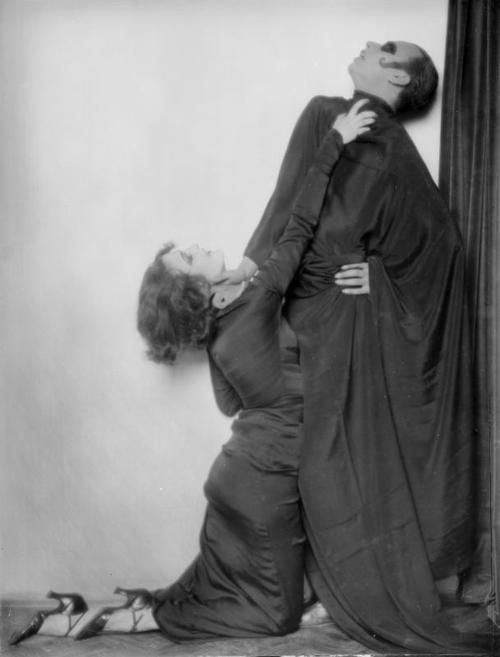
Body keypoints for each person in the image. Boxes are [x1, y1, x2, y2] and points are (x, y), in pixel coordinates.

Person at [8, 103, 375, 647]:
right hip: (260, 484)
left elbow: (233, 406)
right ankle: (121, 618)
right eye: (191, 257)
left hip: (240, 479)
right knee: (272, 617)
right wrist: (335, 141)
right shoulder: (255, 304)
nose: (200, 246)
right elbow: (297, 223)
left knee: (233, 592)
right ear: (197, 290)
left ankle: (91, 615)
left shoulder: (220, 333)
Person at [223, 41, 497, 653]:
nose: (368, 46)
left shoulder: (397, 149)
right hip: (302, 311)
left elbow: (442, 248)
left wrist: (380, 273)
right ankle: (305, 590)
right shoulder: (327, 113)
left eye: (384, 49)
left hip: (351, 325)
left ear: (397, 75)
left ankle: (343, 590)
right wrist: (248, 266)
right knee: (304, 451)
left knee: (344, 458)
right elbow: (289, 196)